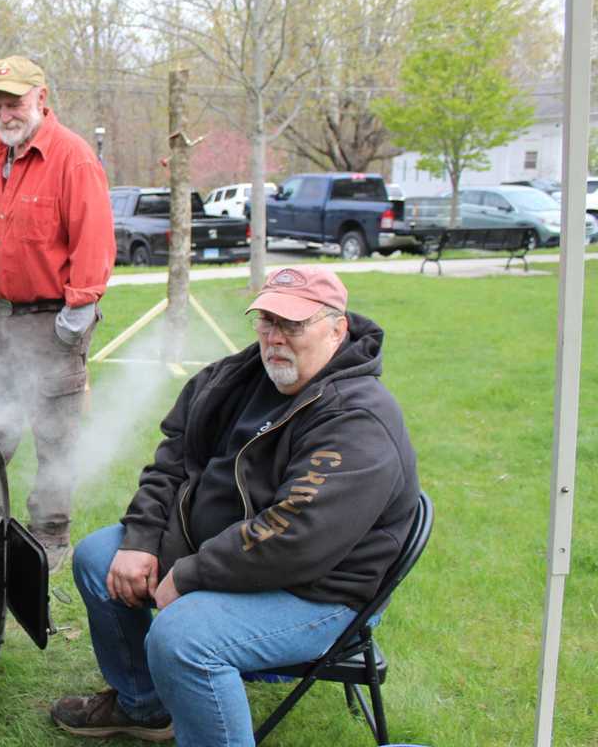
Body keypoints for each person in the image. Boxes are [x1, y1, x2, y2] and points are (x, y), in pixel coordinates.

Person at [50, 265, 421, 746]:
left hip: (320, 591)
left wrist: (189, 575)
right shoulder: (235, 379)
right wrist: (142, 538)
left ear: (337, 327)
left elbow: (295, 537)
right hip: (229, 551)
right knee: (99, 558)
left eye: (293, 324)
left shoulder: (358, 418)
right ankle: (143, 706)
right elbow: (173, 461)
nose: (274, 338)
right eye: (266, 321)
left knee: (183, 638)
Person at [0, 55, 115, 571]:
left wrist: (75, 315)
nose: (5, 114)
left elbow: (93, 242)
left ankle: (49, 539)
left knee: (54, 434)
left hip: (50, 320)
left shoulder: (74, 159)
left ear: (41, 99)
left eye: (15, 103)